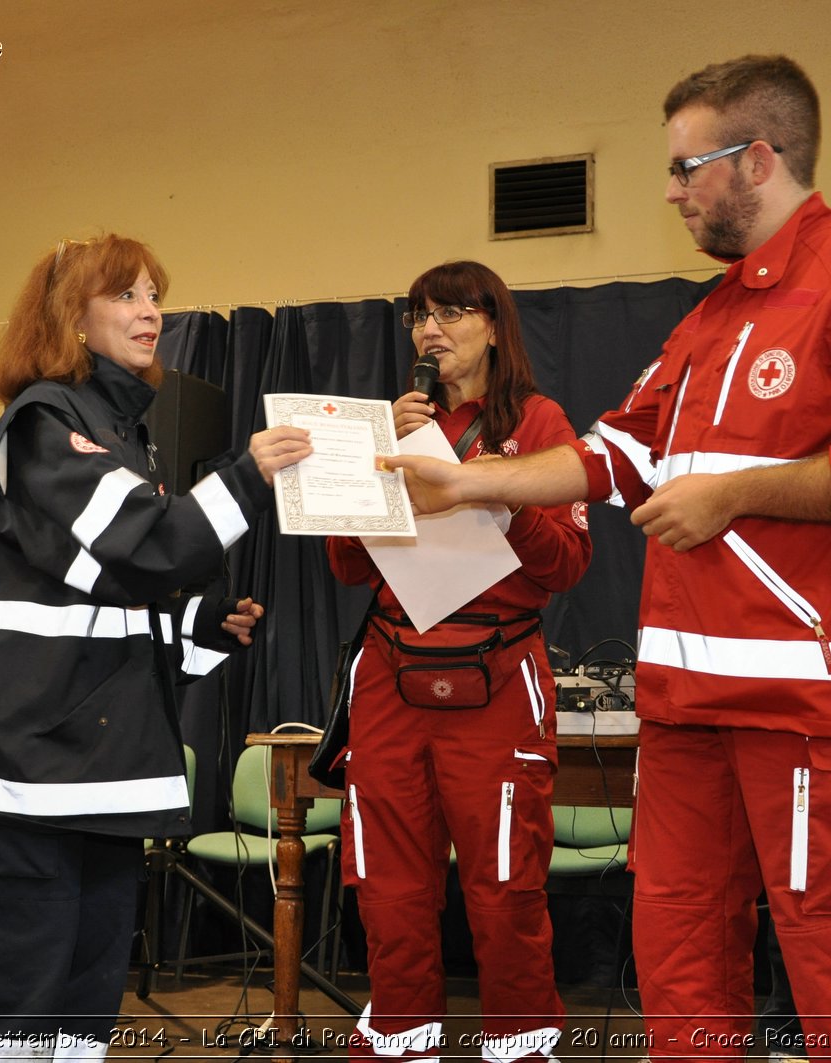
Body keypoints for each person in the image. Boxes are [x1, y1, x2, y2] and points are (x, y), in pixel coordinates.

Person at [387, 56, 831, 1059]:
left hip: (807, 714)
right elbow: (615, 455)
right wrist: (470, 480)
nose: (668, 193)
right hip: (682, 707)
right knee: (678, 952)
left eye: (682, 169)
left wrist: (732, 493)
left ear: (755, 160)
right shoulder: (705, 321)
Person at [0, 234, 311, 1062]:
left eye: (155, 295)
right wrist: (248, 475)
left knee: (87, 990)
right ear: (73, 316)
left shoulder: (120, 430)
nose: (151, 312)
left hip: (102, 767)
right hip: (35, 766)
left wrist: (198, 628)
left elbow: (108, 594)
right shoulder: (44, 421)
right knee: (19, 993)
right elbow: (148, 548)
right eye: (127, 296)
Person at [328, 261, 591, 1062]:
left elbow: (568, 565)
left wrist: (497, 493)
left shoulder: (538, 421)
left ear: (493, 324)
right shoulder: (389, 423)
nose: (429, 330)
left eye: (448, 312)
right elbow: (347, 564)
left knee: (506, 884)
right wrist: (384, 453)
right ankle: (402, 1041)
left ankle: (522, 1044)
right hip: (391, 672)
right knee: (389, 887)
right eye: (417, 316)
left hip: (499, 675)